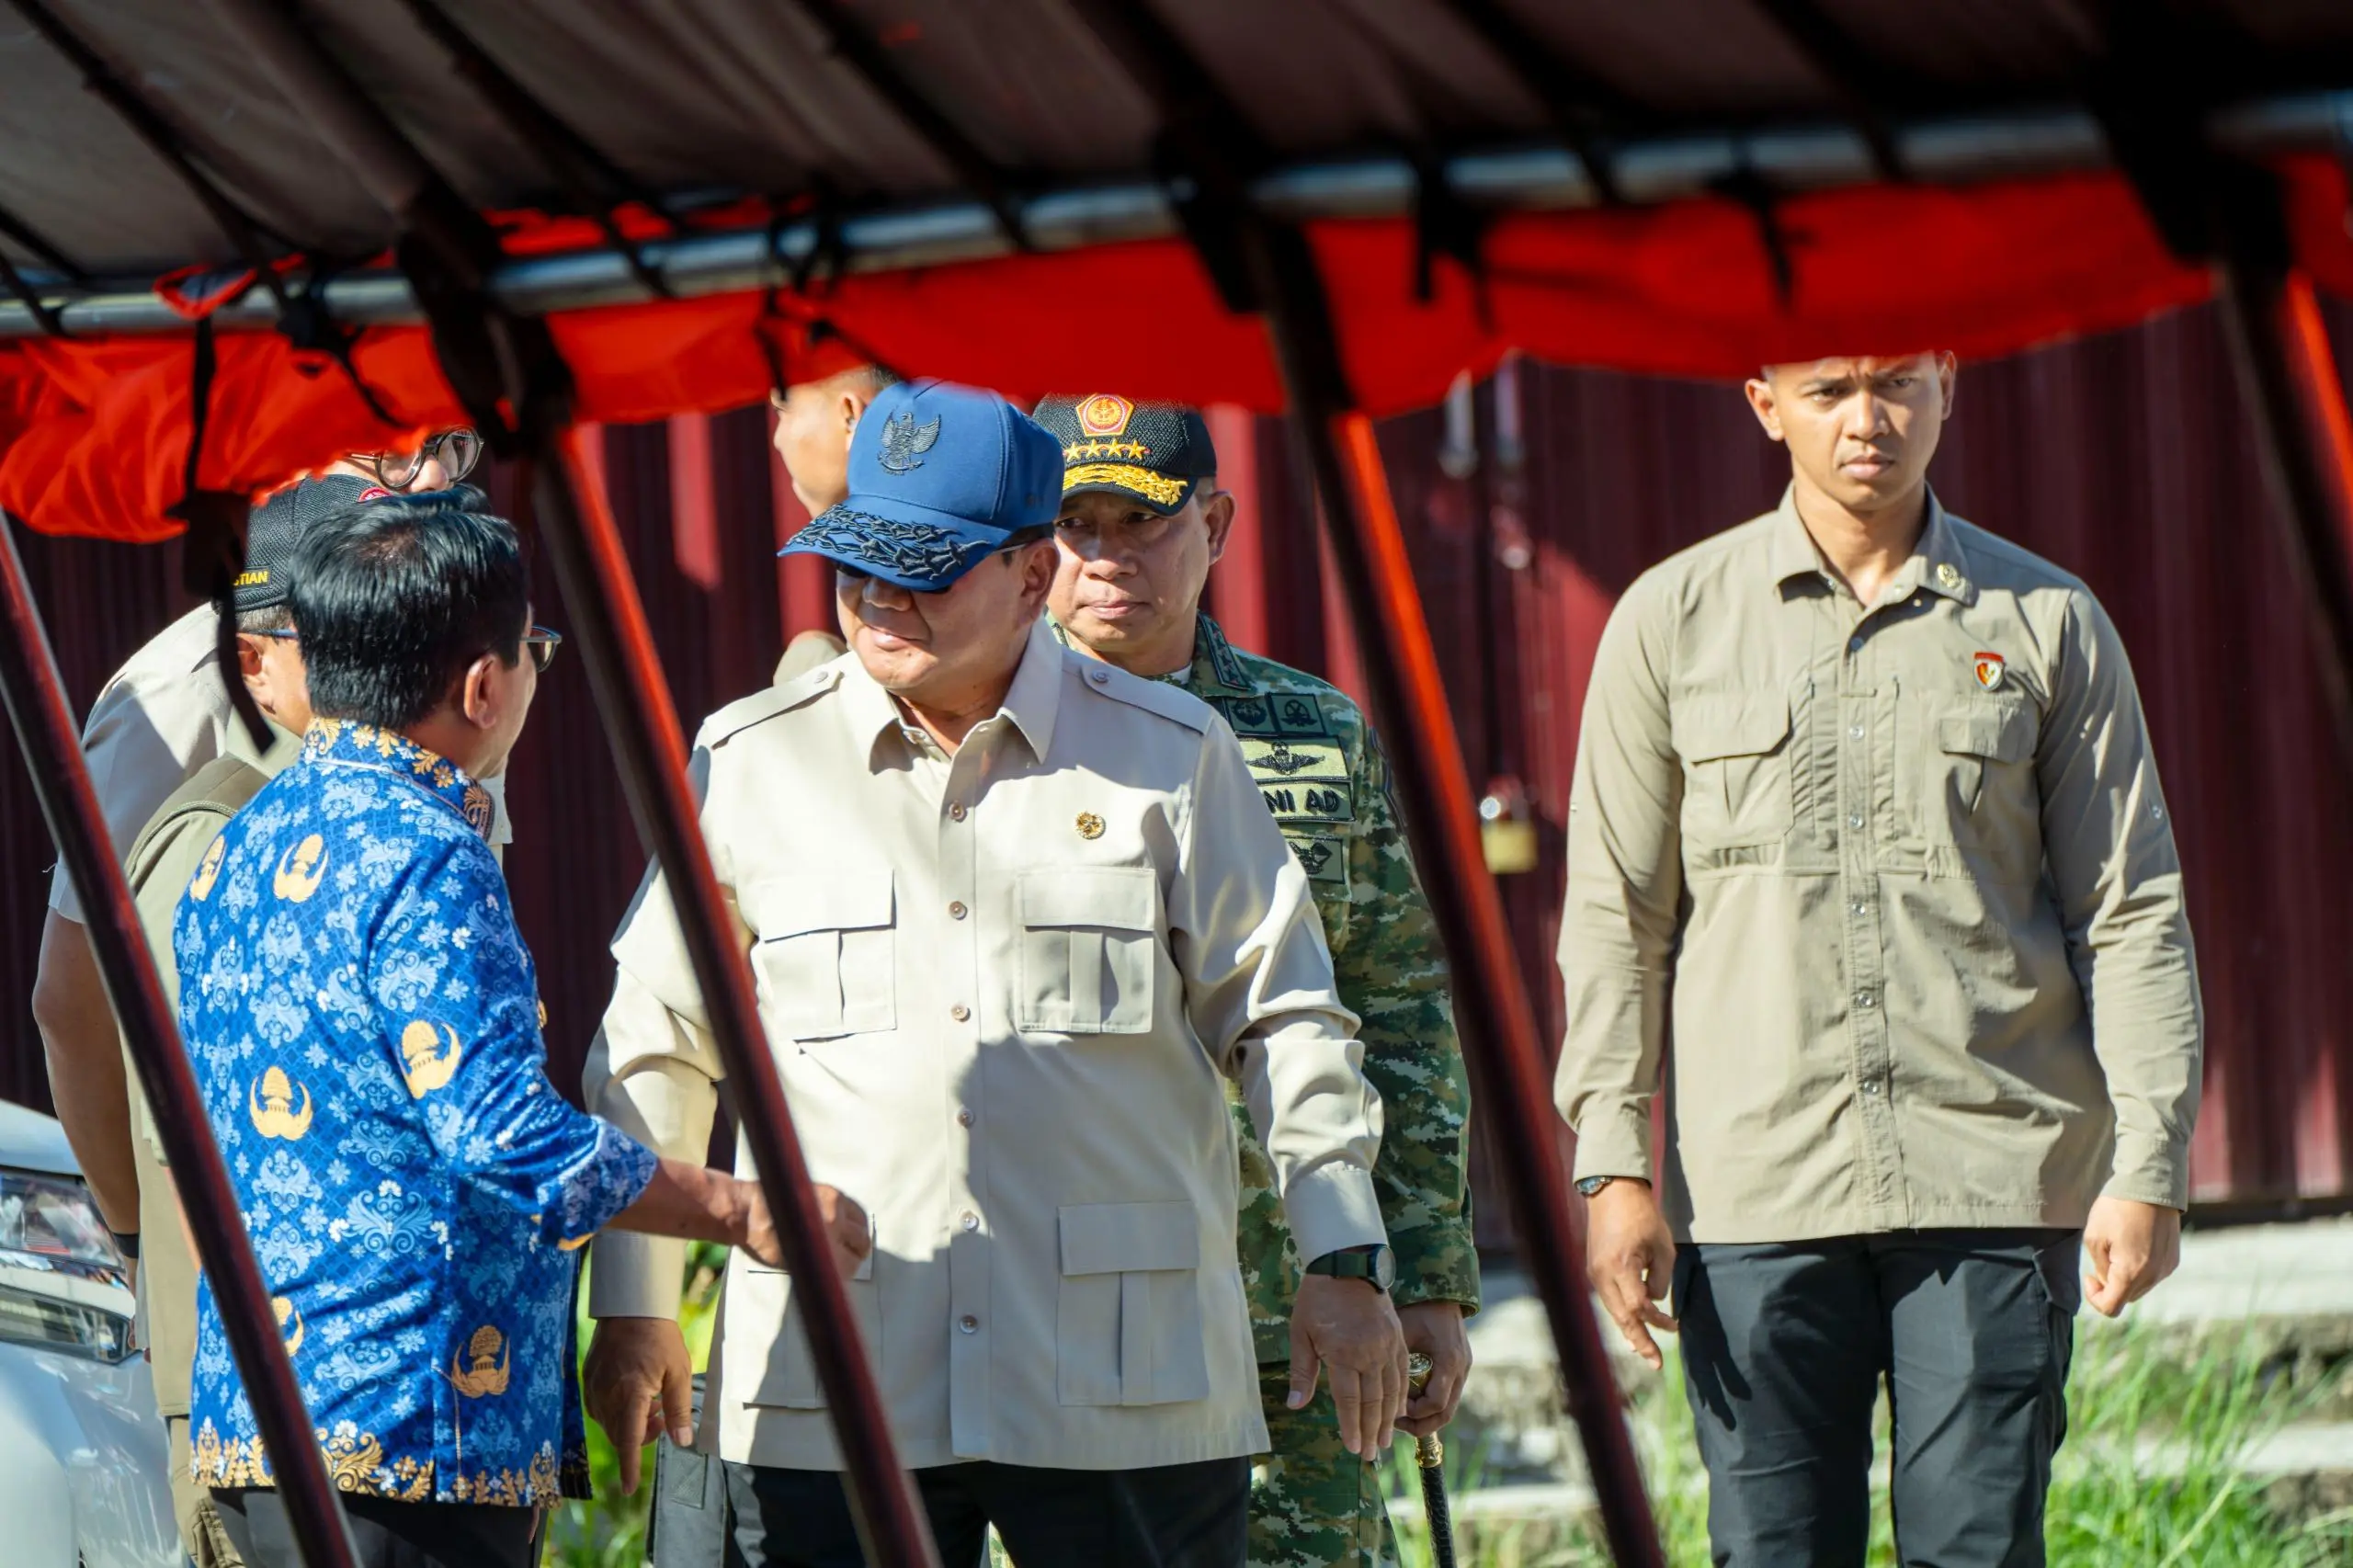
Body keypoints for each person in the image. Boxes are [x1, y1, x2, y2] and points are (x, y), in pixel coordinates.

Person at [582, 379, 1408, 1568]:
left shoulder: (1170, 757)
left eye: (924, 567)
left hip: (1124, 1386)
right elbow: (657, 1038)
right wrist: (636, 1298)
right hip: (839, 1375)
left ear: (1030, 575)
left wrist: (1341, 1250)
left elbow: (1286, 1015)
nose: (876, 597)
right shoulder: (752, 761)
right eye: (855, 560)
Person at [1555, 353, 2203, 1566]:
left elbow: (2132, 909)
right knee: (1775, 1548)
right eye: (1830, 389)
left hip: (1992, 1183)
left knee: (1976, 1546)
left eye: (1899, 383)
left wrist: (2151, 1160)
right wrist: (1613, 1167)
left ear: (1947, 386)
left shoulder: (2046, 619)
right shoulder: (1673, 620)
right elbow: (1618, 917)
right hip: (1757, 1195)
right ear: (1763, 403)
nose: (1869, 421)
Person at [176, 491, 864, 1568]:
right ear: (484, 684)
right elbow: (501, 1133)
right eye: (533, 649)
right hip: (414, 1428)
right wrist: (742, 1206)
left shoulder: (247, 838)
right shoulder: (427, 849)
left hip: (266, 1410)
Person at [1033, 392, 1478, 1568]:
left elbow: (1398, 1005)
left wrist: (1423, 1270)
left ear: (1217, 524)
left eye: (1142, 520)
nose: (1107, 557)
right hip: (1068, 1315)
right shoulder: (993, 742)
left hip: (1298, 1297)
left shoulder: (1311, 732)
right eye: (1078, 523)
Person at [33, 430, 496, 1248]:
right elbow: (74, 1002)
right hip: (245, 1241)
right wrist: (144, 1241)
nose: (428, 477)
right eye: (389, 451)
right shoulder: (193, 685)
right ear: (289, 464)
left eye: (450, 445)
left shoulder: (448, 665)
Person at [109, 474, 365, 1568]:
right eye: (353, 634)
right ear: (258, 659)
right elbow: (183, 1137)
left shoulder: (371, 810)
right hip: (264, 1394)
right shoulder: (224, 832)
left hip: (373, 1391)